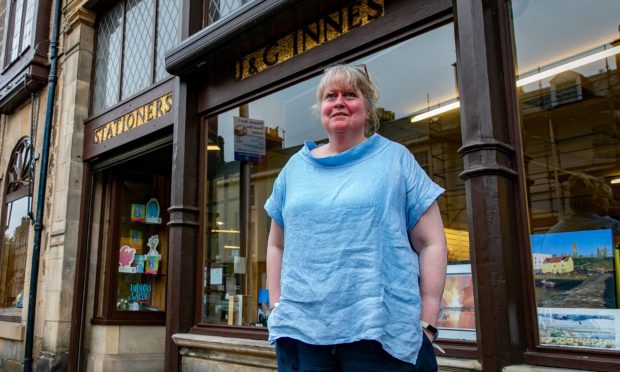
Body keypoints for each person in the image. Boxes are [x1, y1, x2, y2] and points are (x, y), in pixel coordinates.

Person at [264, 64, 448, 371]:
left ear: (368, 106)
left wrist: (427, 323)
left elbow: (432, 242)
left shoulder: (396, 160)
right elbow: (276, 245)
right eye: (330, 95)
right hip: (304, 336)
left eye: (350, 94)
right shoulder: (293, 169)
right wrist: (277, 306)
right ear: (321, 107)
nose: (339, 101)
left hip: (382, 338)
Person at [549, 172, 620, 235]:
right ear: (598, 201)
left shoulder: (554, 231)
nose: (609, 203)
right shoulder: (613, 227)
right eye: (607, 198)